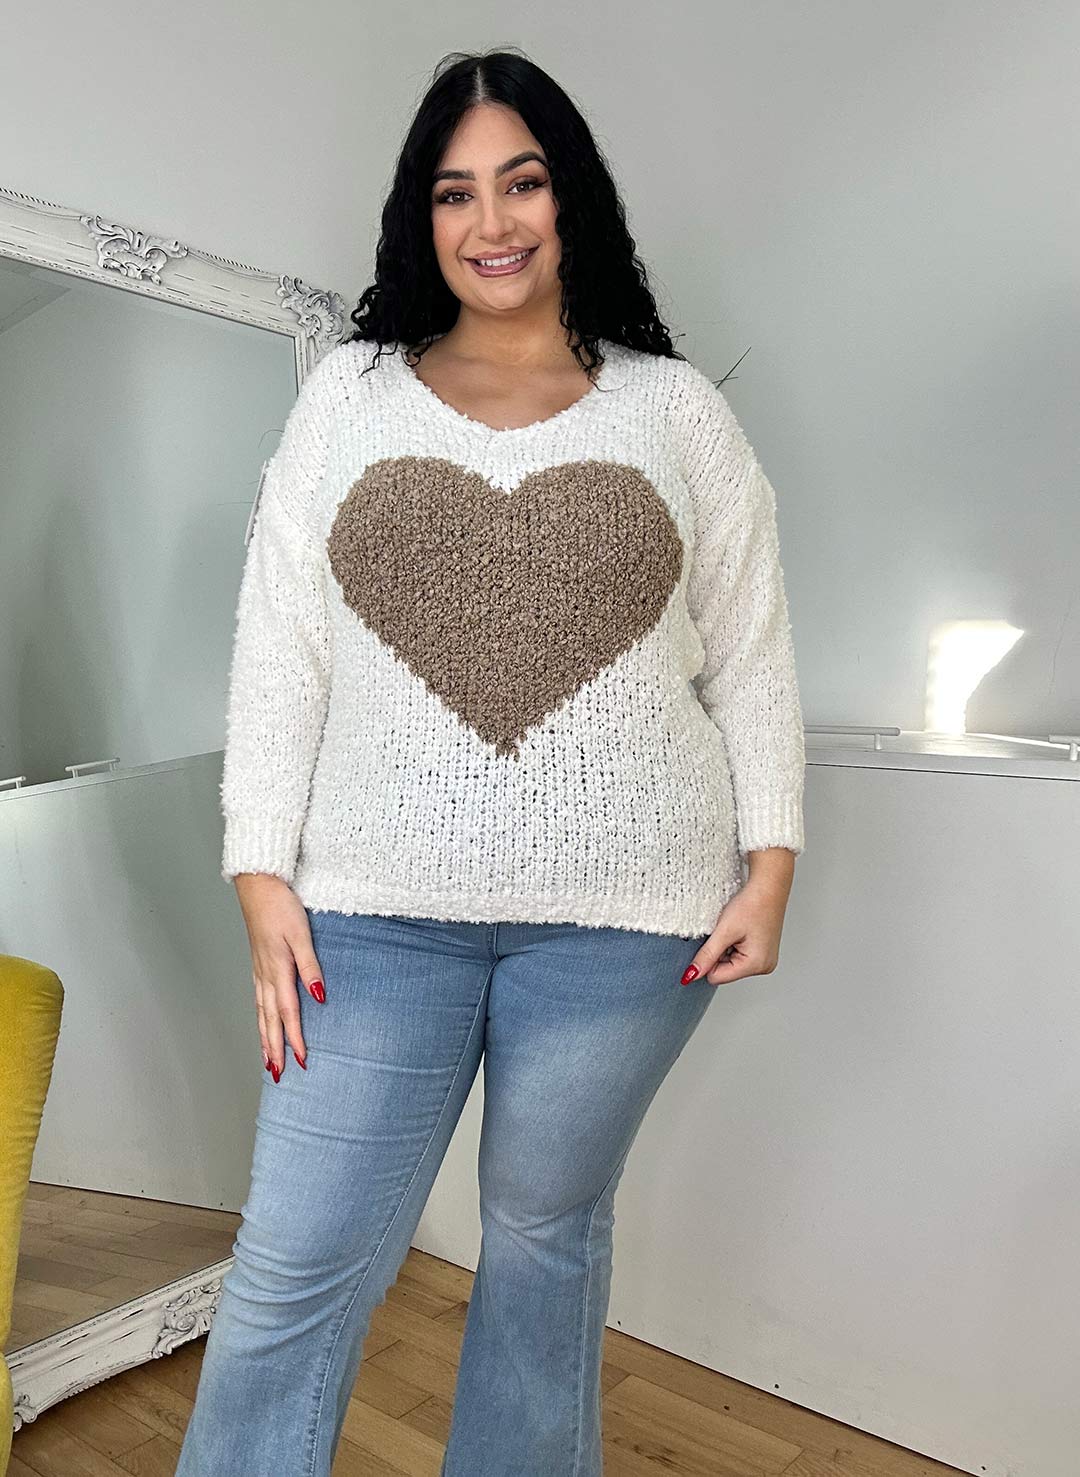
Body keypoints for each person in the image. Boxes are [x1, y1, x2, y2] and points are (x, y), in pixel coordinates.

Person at [176, 45, 806, 1477]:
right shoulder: (350, 395)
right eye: (456, 191)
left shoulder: (676, 410)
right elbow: (281, 638)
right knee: (292, 1265)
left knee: (541, 1246)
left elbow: (751, 641)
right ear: (424, 217)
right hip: (371, 918)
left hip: (629, 925)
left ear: (569, 195)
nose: (494, 220)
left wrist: (772, 857)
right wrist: (258, 866)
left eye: (522, 180)